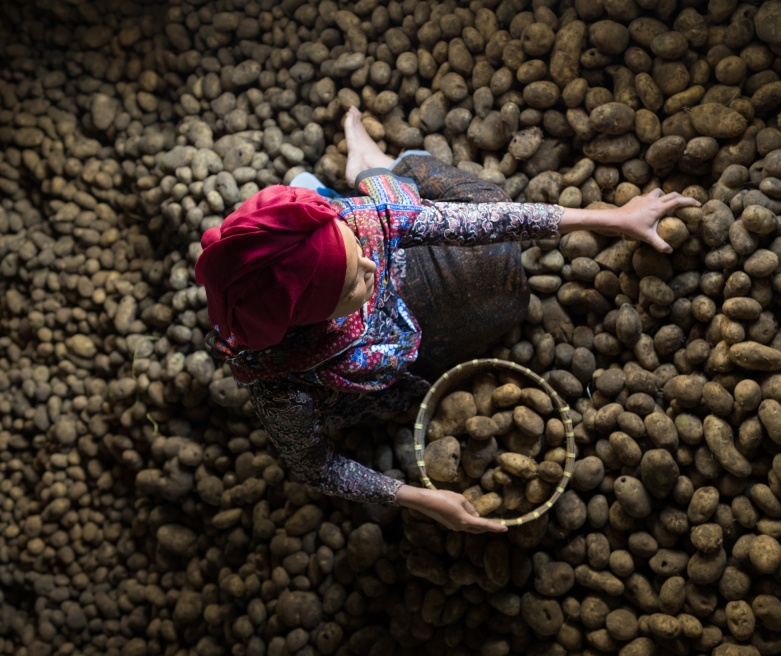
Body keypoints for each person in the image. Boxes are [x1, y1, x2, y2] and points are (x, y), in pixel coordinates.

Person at [196, 106, 700, 534]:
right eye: (350, 284)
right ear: (306, 320)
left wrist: (613, 219)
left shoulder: (362, 223)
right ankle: (343, 179)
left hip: (378, 270)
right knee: (491, 309)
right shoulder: (282, 386)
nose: (369, 266)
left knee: (478, 209)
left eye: (357, 252)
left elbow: (481, 222)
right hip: (365, 372)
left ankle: (370, 166)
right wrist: (418, 498)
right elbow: (316, 467)